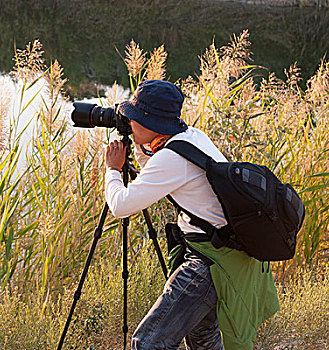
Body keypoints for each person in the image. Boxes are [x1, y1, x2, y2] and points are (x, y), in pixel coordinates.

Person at [104, 80, 279, 350]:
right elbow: (157, 170)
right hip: (225, 253)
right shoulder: (189, 137)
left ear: (152, 122)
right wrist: (140, 145)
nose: (130, 123)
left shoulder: (170, 159)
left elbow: (120, 206)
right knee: (203, 338)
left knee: (148, 342)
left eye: (134, 119)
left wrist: (113, 170)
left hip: (209, 263)